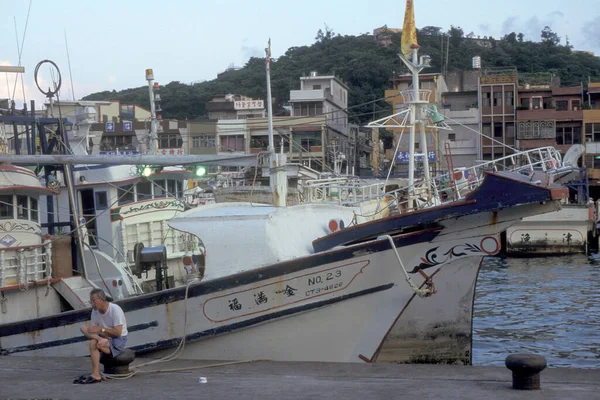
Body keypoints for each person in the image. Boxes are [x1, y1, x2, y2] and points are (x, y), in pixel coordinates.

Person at [77, 288, 128, 384]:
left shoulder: (115, 310)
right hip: (103, 337)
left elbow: (118, 332)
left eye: (93, 301)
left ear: (102, 299)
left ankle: (96, 374)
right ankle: (96, 375)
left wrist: (101, 329)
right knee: (83, 328)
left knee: (94, 343)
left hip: (118, 339)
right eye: (90, 301)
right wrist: (100, 336)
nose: (92, 304)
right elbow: (93, 332)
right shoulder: (94, 312)